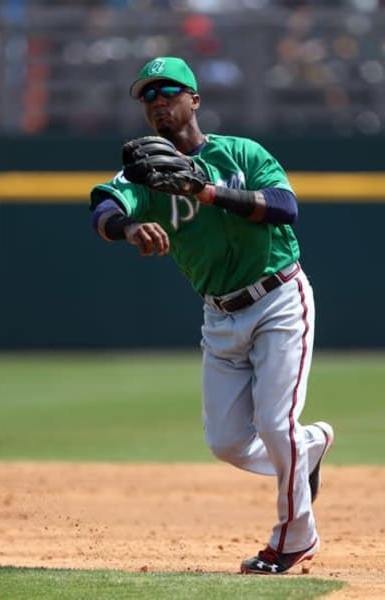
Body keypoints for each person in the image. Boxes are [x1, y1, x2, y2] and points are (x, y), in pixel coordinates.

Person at [89, 56, 334, 575]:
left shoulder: (241, 152)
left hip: (278, 300)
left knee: (274, 423)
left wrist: (205, 191)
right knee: (227, 444)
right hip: (219, 316)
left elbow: (285, 207)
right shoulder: (144, 173)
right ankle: (311, 447)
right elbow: (104, 208)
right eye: (147, 95)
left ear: (194, 99)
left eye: (168, 90)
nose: (157, 101)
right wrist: (129, 229)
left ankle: (292, 540)